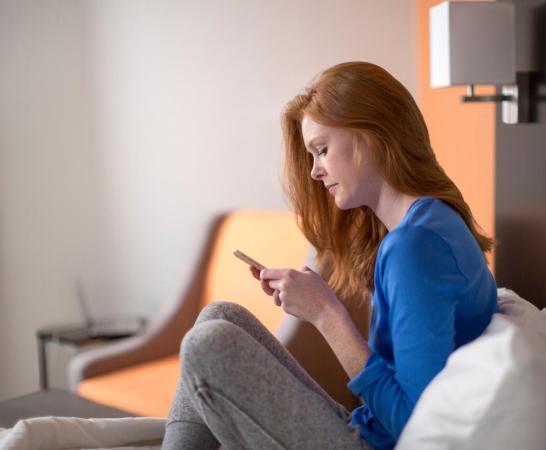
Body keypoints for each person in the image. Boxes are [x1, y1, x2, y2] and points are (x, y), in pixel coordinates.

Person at [162, 61, 498, 450]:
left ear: (375, 133)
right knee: (219, 316)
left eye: (322, 150)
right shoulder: (428, 223)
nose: (314, 172)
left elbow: (416, 423)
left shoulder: (415, 247)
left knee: (209, 345)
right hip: (367, 429)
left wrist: (326, 313)